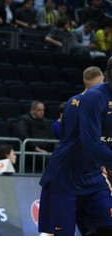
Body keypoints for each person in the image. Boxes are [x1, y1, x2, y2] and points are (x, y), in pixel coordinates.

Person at [38, 64, 112, 236]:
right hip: (65, 179)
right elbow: (90, 144)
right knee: (62, 237)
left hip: (93, 178)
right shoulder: (83, 101)